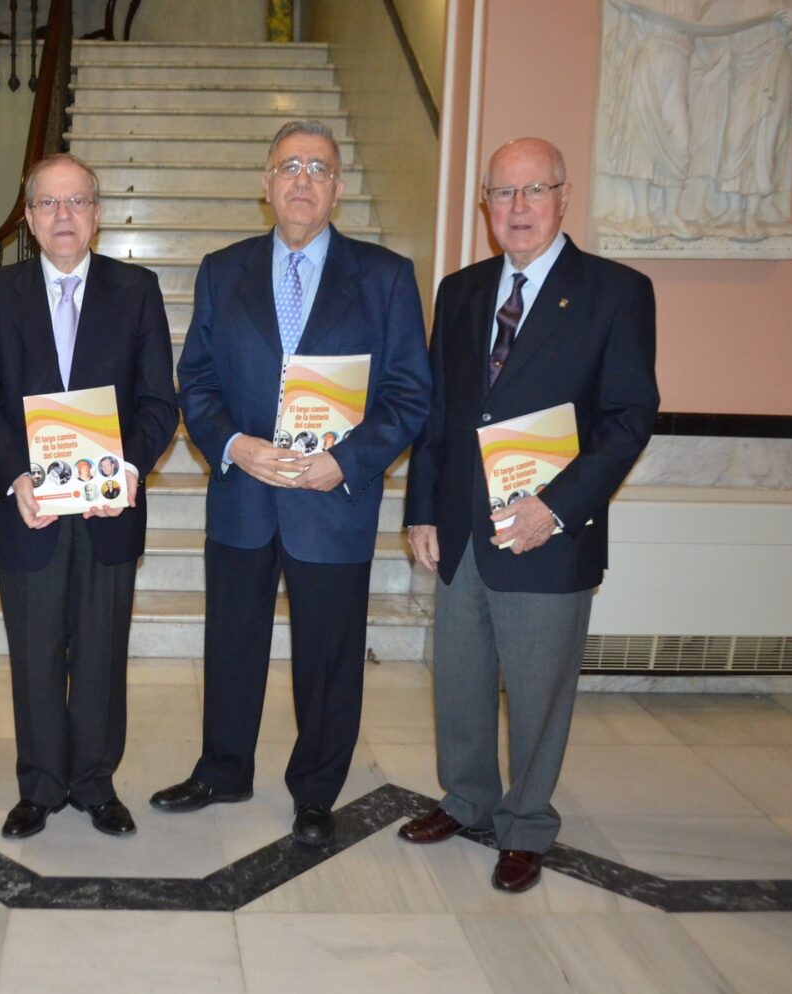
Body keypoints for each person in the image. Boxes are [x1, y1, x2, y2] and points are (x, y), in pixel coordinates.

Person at [151, 120, 431, 846]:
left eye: (318, 168)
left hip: (331, 500)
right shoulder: (222, 268)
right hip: (244, 496)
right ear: (266, 185)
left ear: (337, 189)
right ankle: (223, 769)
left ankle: (315, 790)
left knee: (330, 655)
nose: (302, 180)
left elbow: (409, 394)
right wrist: (233, 445)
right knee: (232, 642)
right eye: (288, 167)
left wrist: (349, 460)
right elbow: (198, 379)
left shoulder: (387, 276)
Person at [400, 138, 658, 893]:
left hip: (549, 531)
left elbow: (629, 418)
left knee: (540, 688)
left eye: (533, 191)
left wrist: (558, 508)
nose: (517, 208)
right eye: (502, 194)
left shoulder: (615, 291)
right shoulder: (461, 290)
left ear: (563, 196)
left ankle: (526, 824)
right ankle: (468, 799)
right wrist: (423, 507)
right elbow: (442, 412)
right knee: (461, 680)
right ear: (483, 206)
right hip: (462, 530)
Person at [0, 153, 178, 839]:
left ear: (97, 214)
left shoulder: (136, 290)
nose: (63, 216)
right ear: (27, 217)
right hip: (28, 509)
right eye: (48, 204)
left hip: (108, 510)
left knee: (101, 653)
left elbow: (157, 403)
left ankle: (93, 783)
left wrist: (129, 470)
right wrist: (16, 476)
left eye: (76, 202)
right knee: (34, 650)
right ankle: (41, 786)